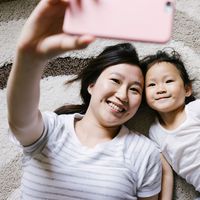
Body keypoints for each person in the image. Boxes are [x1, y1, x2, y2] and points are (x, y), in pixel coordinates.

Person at [7, 0, 162, 199]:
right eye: (115, 80)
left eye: (134, 89)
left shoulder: (144, 152)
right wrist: (29, 58)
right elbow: (20, 119)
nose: (123, 95)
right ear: (92, 85)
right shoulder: (52, 129)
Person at [141, 49, 200, 199]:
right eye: (152, 85)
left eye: (169, 81)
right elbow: (166, 173)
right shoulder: (154, 132)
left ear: (187, 90)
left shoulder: (194, 110)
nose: (161, 89)